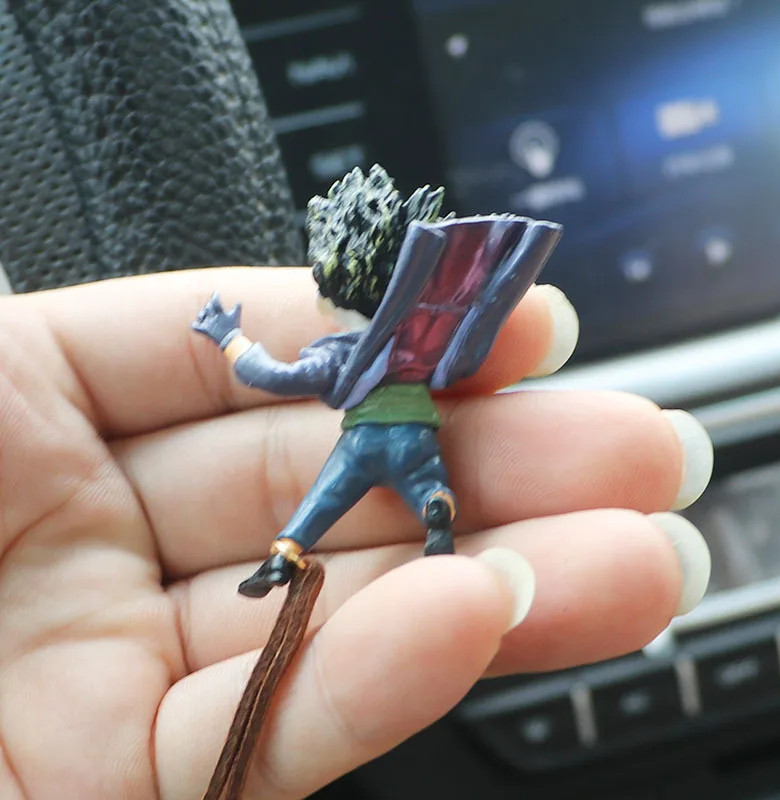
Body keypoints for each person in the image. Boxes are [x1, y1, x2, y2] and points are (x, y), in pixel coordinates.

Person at [0, 266, 712, 799]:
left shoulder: (341, 350)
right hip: (417, 433)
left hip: (362, 438)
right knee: (426, 484)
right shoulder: (414, 345)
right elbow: (463, 357)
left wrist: (227, 335)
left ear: (337, 302)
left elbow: (273, 375)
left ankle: (284, 553)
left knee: (322, 500)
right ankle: (434, 508)